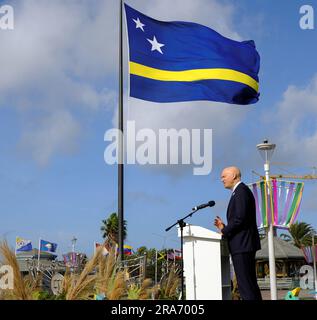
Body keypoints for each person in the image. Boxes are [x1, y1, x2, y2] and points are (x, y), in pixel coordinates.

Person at [214, 166, 262, 300]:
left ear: (234, 175)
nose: (221, 179)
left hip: (242, 245)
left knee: (246, 286)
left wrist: (224, 230)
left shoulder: (241, 191)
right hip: (243, 244)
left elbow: (240, 218)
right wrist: (225, 227)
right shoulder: (240, 192)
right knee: (249, 284)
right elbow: (240, 219)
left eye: (224, 176)